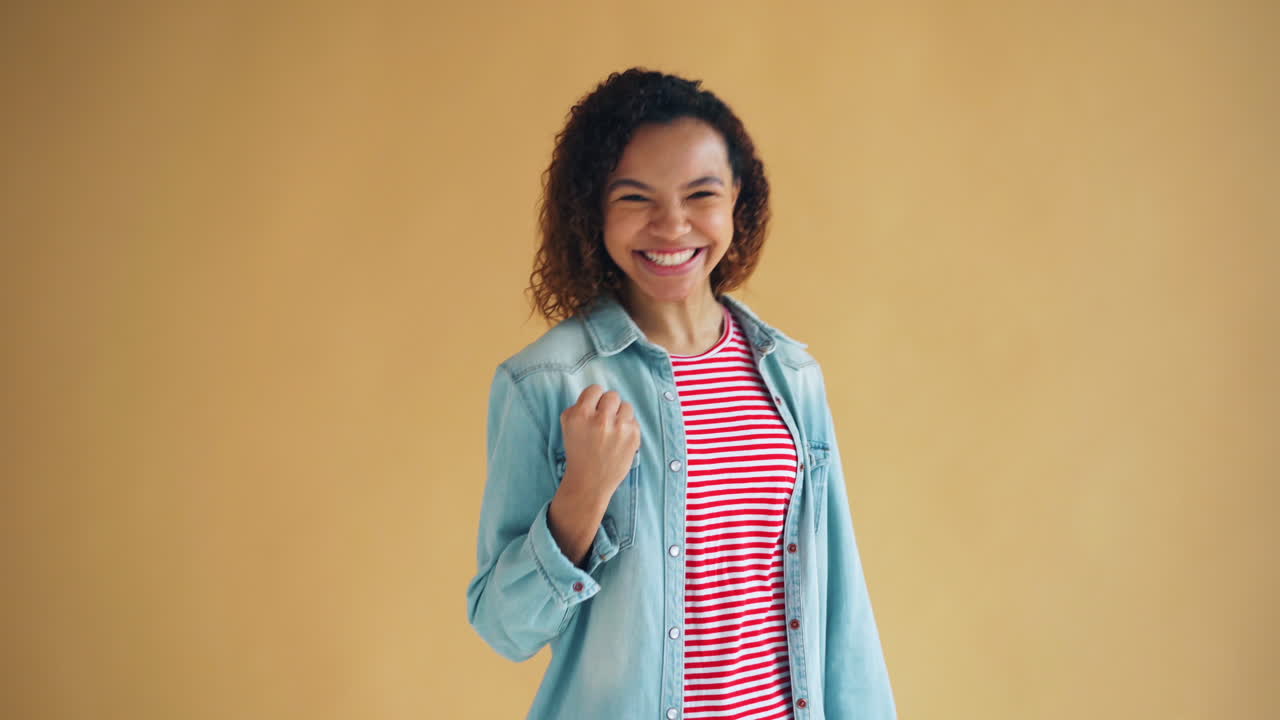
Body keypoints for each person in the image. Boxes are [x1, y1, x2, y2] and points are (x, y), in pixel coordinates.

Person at [466, 68, 896, 720]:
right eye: (635, 198)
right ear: (593, 210)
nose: (672, 226)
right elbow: (504, 627)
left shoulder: (792, 376)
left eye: (700, 193)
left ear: (736, 200)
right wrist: (580, 499)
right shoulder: (545, 384)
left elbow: (843, 607)